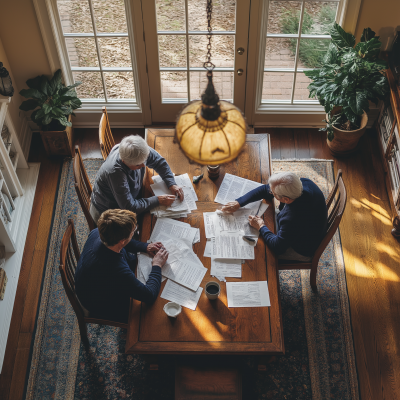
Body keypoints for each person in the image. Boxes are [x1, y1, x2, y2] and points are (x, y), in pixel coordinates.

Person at [75, 209, 168, 324]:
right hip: (99, 302)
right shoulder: (117, 270)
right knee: (149, 315)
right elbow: (149, 295)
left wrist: (145, 246)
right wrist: (157, 265)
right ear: (122, 241)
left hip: (88, 280)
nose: (134, 231)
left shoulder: (97, 232)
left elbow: (123, 244)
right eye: (133, 231)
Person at [222, 172, 327, 262]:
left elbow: (278, 247)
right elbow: (264, 189)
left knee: (256, 252)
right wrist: (239, 203)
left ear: (286, 199)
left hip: (301, 249)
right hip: (304, 227)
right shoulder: (303, 182)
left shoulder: (292, 218)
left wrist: (261, 226)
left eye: (273, 193)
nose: (270, 192)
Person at [90, 135, 184, 224]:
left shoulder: (138, 150)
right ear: (124, 162)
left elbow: (159, 162)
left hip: (128, 197)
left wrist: (171, 183)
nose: (144, 165)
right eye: (138, 165)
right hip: (110, 211)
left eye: (144, 161)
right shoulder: (115, 173)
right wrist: (158, 200)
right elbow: (129, 207)